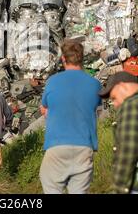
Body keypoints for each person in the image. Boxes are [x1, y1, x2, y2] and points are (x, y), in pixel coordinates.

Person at [39, 39, 101, 194]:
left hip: (57, 144)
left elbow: (44, 109)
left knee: (51, 184)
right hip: (84, 146)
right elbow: (96, 108)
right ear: (82, 58)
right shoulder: (94, 84)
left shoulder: (52, 82)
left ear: (63, 59)